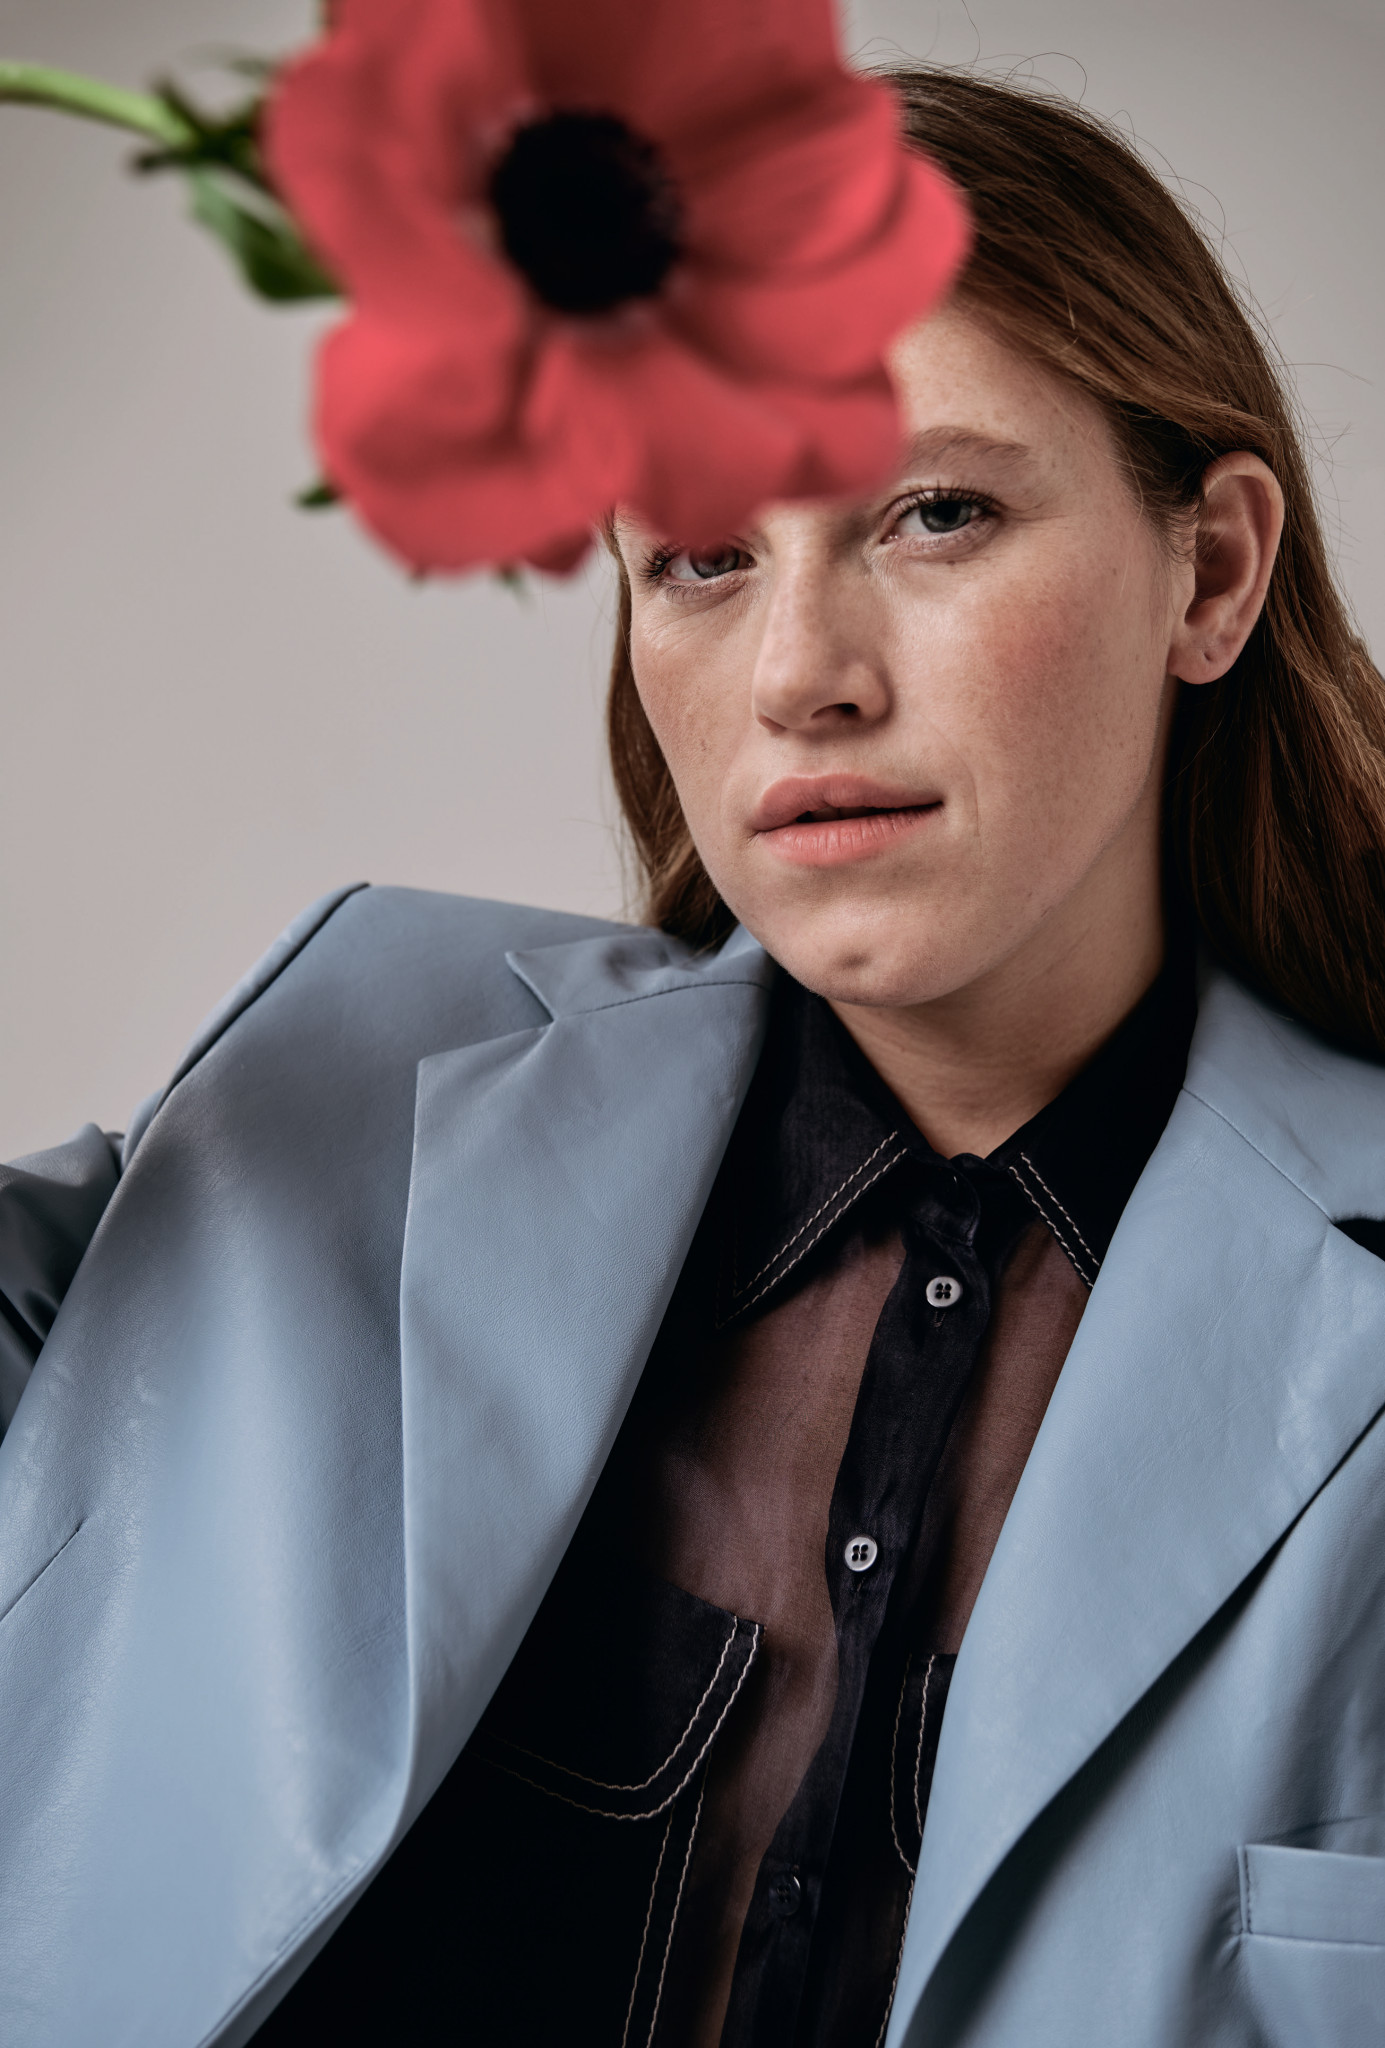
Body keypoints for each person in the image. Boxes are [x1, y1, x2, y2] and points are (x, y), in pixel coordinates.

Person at [2, 63, 1384, 2048]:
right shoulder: (341, 1086)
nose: (801, 674)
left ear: (1215, 571)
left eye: (934, 513)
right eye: (705, 556)